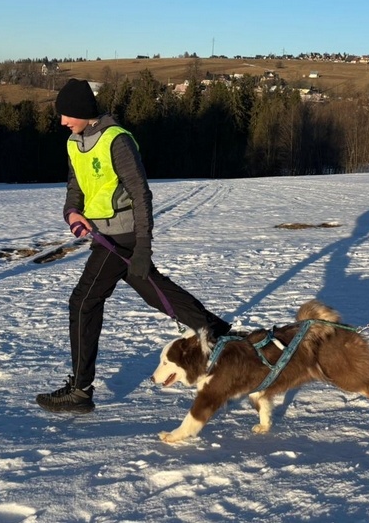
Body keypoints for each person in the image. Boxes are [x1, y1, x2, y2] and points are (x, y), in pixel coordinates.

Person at [37, 78, 231, 413]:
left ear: (84, 112)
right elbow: (75, 184)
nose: (62, 121)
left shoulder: (117, 140)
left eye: (67, 115)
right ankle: (219, 334)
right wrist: (72, 212)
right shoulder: (73, 142)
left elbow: (141, 195)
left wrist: (142, 248)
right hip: (103, 233)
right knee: (154, 290)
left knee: (83, 302)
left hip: (123, 236)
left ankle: (80, 391)